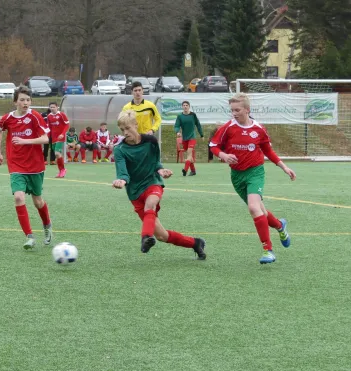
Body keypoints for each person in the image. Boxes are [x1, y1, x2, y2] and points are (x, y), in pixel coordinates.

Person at [209, 93, 295, 264]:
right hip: (237, 176)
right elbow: (213, 146)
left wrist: (284, 167)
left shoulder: (259, 129)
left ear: (247, 110)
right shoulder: (228, 128)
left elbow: (268, 151)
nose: (234, 113)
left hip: (255, 172)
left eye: (237, 110)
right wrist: (224, 156)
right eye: (232, 110)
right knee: (260, 211)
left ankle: (268, 250)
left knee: (254, 208)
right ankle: (280, 225)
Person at [113, 110, 206, 259]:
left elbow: (155, 162)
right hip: (135, 193)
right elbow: (123, 173)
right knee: (162, 236)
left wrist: (161, 170)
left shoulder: (151, 141)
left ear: (136, 125)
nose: (125, 132)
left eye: (128, 128)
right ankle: (195, 243)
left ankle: (145, 238)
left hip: (152, 183)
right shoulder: (119, 150)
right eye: (122, 130)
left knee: (150, 204)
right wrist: (121, 181)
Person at [0, 86, 53, 249]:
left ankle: (47, 225)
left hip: (35, 165)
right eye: (22, 100)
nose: (25, 103)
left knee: (37, 201)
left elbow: (45, 139)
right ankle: (29, 236)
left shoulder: (35, 117)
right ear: (15, 102)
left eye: (28, 100)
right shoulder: (8, 118)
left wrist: (25, 141)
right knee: (19, 197)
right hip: (16, 165)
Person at [174, 100, 204, 176]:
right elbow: (176, 126)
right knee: (189, 157)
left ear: (189, 106)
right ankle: (193, 171)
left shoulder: (193, 115)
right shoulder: (180, 116)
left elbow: (198, 125)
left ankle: (185, 170)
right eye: (184, 105)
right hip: (185, 138)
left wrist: (201, 135)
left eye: (186, 105)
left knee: (189, 153)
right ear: (182, 107)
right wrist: (177, 131)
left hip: (192, 137)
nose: (185, 106)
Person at [46, 102, 70, 177]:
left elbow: (67, 125)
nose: (52, 108)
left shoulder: (61, 115)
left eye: (53, 107)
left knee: (57, 153)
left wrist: (62, 134)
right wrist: (47, 137)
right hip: (53, 138)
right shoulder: (49, 116)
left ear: (57, 107)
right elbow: (49, 127)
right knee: (57, 155)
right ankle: (61, 171)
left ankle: (62, 170)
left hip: (60, 137)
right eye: (51, 107)